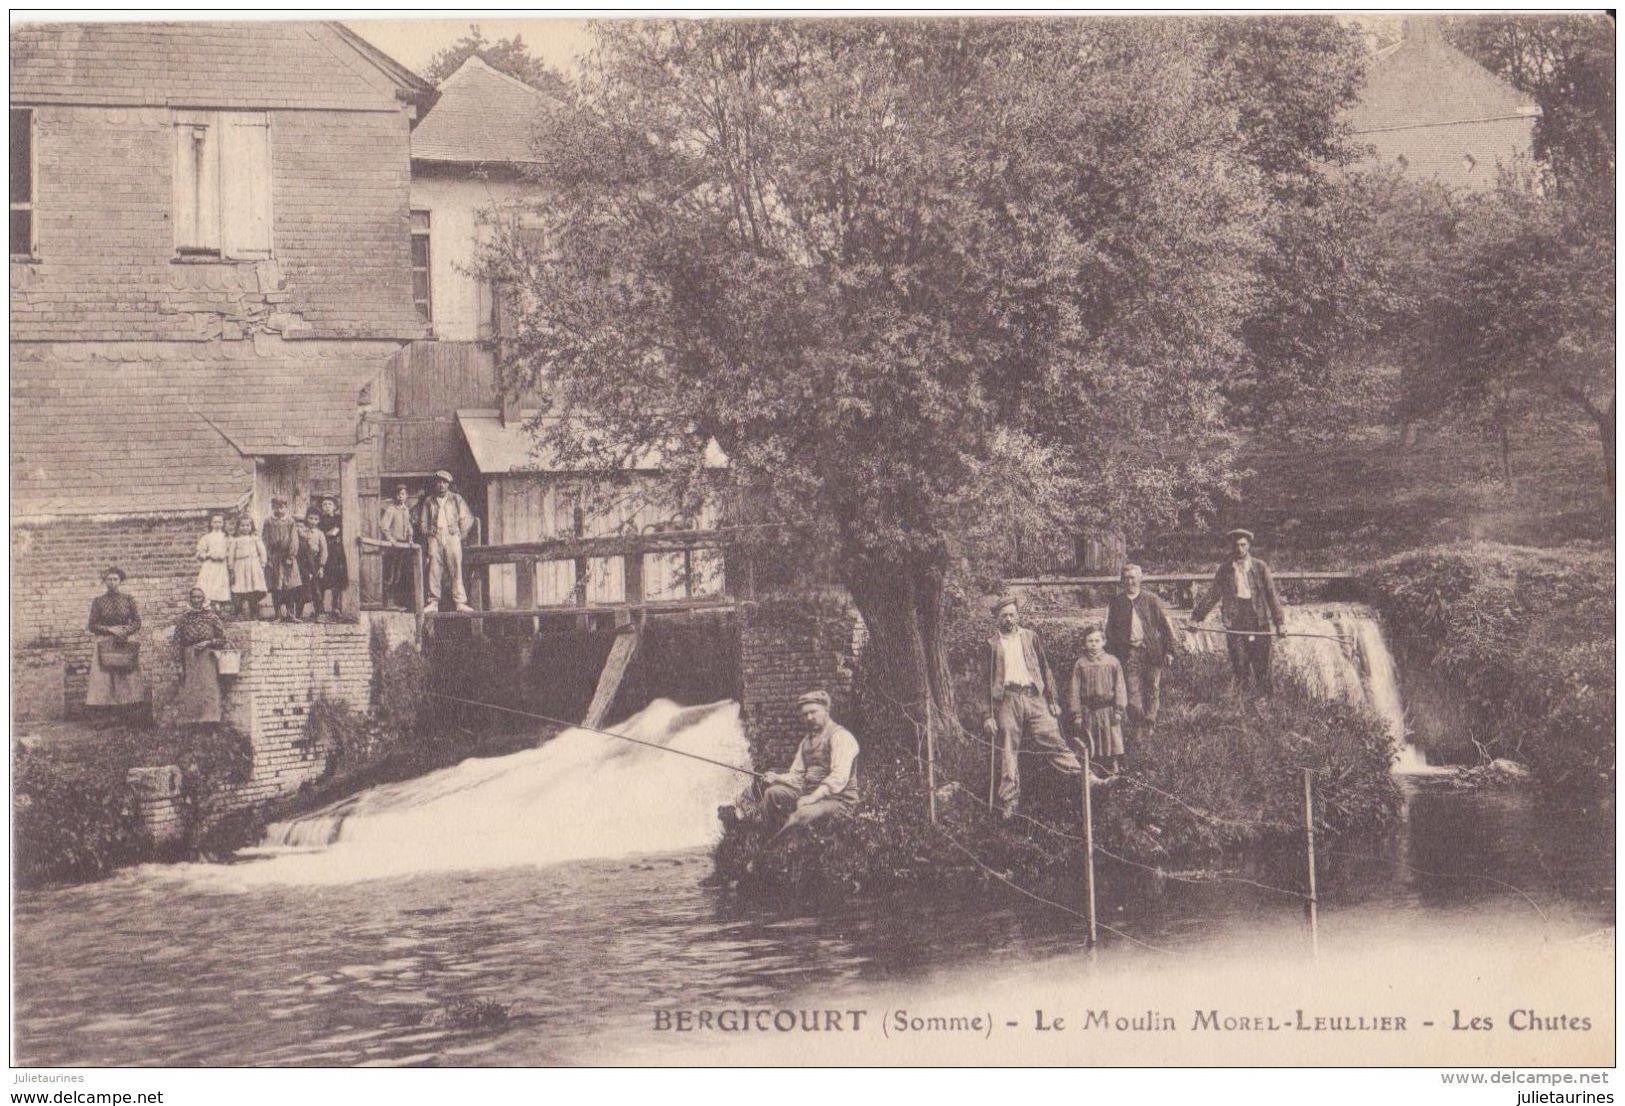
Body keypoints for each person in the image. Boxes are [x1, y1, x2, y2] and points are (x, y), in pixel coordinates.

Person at [982, 595, 1083, 818]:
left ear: (1018, 616)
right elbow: (984, 683)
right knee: (1008, 744)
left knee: (1052, 735)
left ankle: (1084, 777)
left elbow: (1045, 669)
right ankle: (1009, 799)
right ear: (997, 619)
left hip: (1034, 695)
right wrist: (988, 715)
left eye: (1012, 614)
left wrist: (1053, 701)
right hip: (1008, 698)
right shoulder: (991, 645)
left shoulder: (1031, 637)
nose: (1009, 619)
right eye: (1004, 616)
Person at [731, 690, 859, 838]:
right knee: (772, 794)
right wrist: (776, 778)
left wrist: (812, 798)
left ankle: (770, 850)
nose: (809, 717)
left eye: (813, 712)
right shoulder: (806, 743)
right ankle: (770, 836)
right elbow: (798, 776)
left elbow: (838, 778)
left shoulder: (840, 737)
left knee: (802, 814)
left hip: (839, 800)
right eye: (805, 714)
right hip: (810, 793)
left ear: (826, 710)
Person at [1191, 528, 1286, 692]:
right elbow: (1213, 595)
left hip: (1259, 621)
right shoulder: (1225, 569)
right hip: (1236, 621)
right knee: (1240, 667)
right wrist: (1196, 618)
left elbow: (1271, 595)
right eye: (1236, 545)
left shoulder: (1260, 567)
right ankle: (1242, 708)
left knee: (1263, 667)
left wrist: (1280, 623)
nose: (1239, 549)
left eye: (1243, 545)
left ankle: (1267, 707)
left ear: (1248, 546)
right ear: (1231, 547)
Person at [1104, 563, 1179, 735]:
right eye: (1126, 578)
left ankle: (1150, 722)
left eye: (1133, 577)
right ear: (1122, 581)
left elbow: (1165, 626)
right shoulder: (1117, 603)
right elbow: (1110, 631)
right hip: (1129, 653)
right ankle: (1138, 724)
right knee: (1132, 692)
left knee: (1153, 687)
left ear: (1140, 579)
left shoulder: (1151, 600)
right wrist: (1111, 655)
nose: (1130, 581)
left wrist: (1169, 651)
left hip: (1152, 652)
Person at [85, 566, 148, 722]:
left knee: (126, 677)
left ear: (120, 581)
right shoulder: (98, 601)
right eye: (109, 579)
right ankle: (104, 716)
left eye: (115, 579)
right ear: (105, 582)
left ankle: (128, 715)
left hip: (123, 641)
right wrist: (110, 629)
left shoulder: (128, 599)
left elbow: (137, 622)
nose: (112, 582)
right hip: (105, 642)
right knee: (104, 679)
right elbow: (92, 625)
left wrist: (125, 630)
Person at [1066, 625, 1128, 776]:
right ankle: (1093, 775)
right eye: (1090, 641)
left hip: (1108, 711)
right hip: (1089, 712)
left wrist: (1119, 710)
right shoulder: (1080, 664)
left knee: (1111, 742)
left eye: (1097, 641)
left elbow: (1120, 687)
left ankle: (1114, 772)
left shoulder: (1113, 662)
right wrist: (1077, 714)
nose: (1093, 644)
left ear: (1104, 642)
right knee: (1091, 744)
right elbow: (1074, 690)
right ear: (1085, 643)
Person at [416, 470, 475, 612]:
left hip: (451, 535)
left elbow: (467, 518)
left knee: (455, 567)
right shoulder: (429, 501)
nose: (441, 485)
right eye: (439, 482)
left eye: (444, 482)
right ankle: (433, 602)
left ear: (449, 484)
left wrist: (460, 533)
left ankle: (460, 602)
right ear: (435, 484)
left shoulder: (456, 499)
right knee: (434, 568)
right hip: (435, 536)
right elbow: (422, 522)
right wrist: (428, 532)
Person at [172, 587, 229, 725]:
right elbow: (177, 643)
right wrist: (179, 665)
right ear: (190, 599)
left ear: (203, 599)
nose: (196, 600)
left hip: (207, 657)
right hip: (189, 657)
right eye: (194, 597)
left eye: (199, 597)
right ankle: (192, 722)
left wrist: (208, 642)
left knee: (208, 689)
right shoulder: (183, 618)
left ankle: (211, 721)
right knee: (191, 690)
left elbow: (223, 639)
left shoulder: (211, 617)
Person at [263, 497, 302, 622]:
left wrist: (291, 556)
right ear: (272, 507)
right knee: (276, 587)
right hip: (275, 558)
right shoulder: (268, 522)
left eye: (282, 507)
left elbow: (294, 539)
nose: (279, 510)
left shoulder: (290, 521)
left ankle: (290, 613)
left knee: (290, 586)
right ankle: (278, 614)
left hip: (288, 558)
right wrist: (268, 558)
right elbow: (265, 540)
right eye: (276, 507)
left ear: (286, 507)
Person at [379, 484, 417, 611]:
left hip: (403, 545)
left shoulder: (406, 510)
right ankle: (388, 603)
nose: (401, 497)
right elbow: (384, 526)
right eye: (399, 494)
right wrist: (391, 540)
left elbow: (408, 526)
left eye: (403, 494)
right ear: (395, 496)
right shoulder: (391, 509)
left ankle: (396, 602)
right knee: (390, 573)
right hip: (392, 547)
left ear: (406, 496)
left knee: (399, 574)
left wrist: (410, 538)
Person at [227, 514, 269, 621]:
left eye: (247, 525)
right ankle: (238, 613)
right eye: (242, 525)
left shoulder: (254, 539)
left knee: (253, 590)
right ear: (238, 527)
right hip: (239, 566)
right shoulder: (235, 540)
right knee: (239, 590)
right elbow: (231, 554)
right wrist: (231, 567)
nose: (245, 528)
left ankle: (254, 613)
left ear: (251, 527)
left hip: (253, 566)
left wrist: (263, 563)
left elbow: (262, 551)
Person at [316, 495, 348, 620]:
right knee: (322, 579)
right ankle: (320, 607)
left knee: (337, 579)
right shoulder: (320, 520)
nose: (327, 506)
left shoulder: (338, 519)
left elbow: (336, 531)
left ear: (334, 507)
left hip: (336, 552)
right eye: (325, 504)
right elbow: (322, 534)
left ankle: (335, 606)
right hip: (324, 551)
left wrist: (332, 532)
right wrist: (328, 534)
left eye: (330, 504)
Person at [193, 513, 232, 614]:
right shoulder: (207, 537)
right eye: (215, 522)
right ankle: (209, 608)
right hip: (210, 566)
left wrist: (225, 555)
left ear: (223, 523)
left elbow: (231, 550)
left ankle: (219, 608)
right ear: (210, 523)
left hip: (222, 566)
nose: (217, 524)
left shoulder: (227, 537)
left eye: (220, 522)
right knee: (209, 586)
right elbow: (199, 552)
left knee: (220, 585)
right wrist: (208, 555)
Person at [295, 509, 329, 621]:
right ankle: (298, 614)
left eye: (316, 519)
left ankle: (319, 613)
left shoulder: (319, 534)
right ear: (306, 518)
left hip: (314, 562)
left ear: (319, 521)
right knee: (302, 588)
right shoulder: (301, 531)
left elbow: (324, 551)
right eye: (310, 518)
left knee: (316, 589)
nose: (313, 521)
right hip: (301, 562)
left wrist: (322, 566)